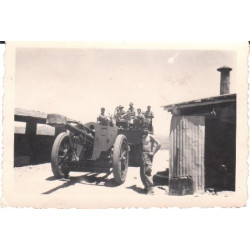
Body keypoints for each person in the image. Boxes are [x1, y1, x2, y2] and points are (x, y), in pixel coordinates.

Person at [140, 130, 161, 195]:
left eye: (146, 129)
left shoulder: (150, 136)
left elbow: (159, 144)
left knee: (147, 171)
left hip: (148, 155)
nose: (144, 130)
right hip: (143, 154)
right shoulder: (143, 136)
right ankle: (146, 187)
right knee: (142, 172)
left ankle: (151, 190)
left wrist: (153, 152)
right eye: (143, 128)